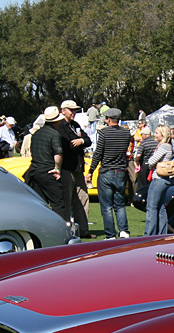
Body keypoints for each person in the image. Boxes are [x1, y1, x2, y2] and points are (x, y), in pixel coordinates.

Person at [87, 108, 132, 239]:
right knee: (119, 204)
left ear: (108, 119)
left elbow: (98, 154)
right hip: (120, 171)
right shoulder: (126, 133)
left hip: (106, 170)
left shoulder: (104, 133)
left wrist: (90, 171)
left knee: (106, 206)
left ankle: (110, 234)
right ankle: (124, 230)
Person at [55, 99, 91, 238]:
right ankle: (65, 231)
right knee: (67, 200)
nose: (73, 113)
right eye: (71, 110)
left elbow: (87, 140)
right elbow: (67, 143)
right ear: (63, 111)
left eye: (75, 110)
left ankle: (84, 229)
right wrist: (78, 140)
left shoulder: (75, 125)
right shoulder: (59, 126)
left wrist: (80, 141)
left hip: (78, 168)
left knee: (83, 198)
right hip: (66, 168)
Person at [26, 106, 67, 219]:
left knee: (39, 204)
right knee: (58, 204)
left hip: (34, 171)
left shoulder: (36, 134)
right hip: (48, 171)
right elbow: (58, 153)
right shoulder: (54, 134)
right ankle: (60, 230)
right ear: (57, 121)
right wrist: (57, 168)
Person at [144, 125, 174, 235]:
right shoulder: (167, 146)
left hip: (158, 179)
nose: (155, 134)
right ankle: (162, 233)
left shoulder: (163, 146)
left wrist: (149, 161)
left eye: (157, 133)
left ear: (163, 135)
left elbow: (151, 161)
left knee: (151, 207)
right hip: (164, 180)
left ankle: (149, 233)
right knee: (160, 207)